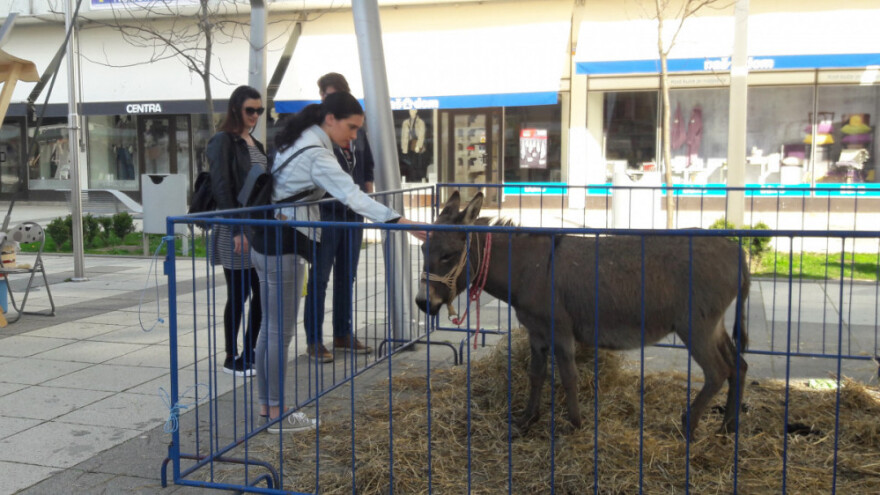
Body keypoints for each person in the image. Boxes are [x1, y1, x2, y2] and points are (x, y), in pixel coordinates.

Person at [250, 91, 425, 433]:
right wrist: (403, 224)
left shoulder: (300, 138)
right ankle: (276, 415)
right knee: (278, 333)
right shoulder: (317, 154)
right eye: (352, 127)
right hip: (285, 244)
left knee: (269, 331)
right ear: (330, 119)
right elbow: (353, 196)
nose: (355, 135)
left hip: (268, 239)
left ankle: (268, 409)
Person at [303, 72, 373, 363]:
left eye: (333, 96)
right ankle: (314, 340)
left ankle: (343, 333)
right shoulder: (315, 132)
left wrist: (367, 196)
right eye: (325, 96)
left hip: (352, 214)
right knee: (319, 279)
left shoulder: (355, 131)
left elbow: (366, 164)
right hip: (324, 213)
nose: (327, 102)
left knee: (348, 276)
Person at [205, 85, 265, 377]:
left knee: (262, 292)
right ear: (235, 110)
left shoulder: (255, 143)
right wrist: (238, 228)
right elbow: (222, 187)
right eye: (249, 110)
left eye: (259, 110)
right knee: (239, 293)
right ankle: (231, 356)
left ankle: (251, 351)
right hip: (235, 227)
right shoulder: (223, 141)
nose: (254, 115)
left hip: (257, 228)